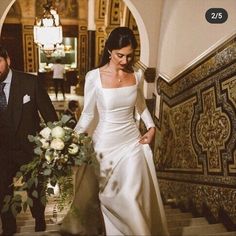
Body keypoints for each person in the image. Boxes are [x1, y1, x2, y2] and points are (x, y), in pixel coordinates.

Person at [72, 27, 169, 235]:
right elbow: (88, 114)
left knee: (131, 196)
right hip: (104, 146)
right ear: (109, 50)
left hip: (132, 143)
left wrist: (151, 127)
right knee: (111, 197)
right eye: (120, 55)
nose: (125, 61)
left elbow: (140, 105)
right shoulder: (93, 77)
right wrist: (71, 139)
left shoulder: (137, 75)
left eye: (129, 56)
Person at [0, 45, 58, 236]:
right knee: (2, 192)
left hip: (29, 150)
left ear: (7, 60)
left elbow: (50, 115)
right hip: (2, 152)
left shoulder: (29, 82)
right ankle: (8, 226)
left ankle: (39, 218)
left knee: (35, 188)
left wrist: (55, 143)